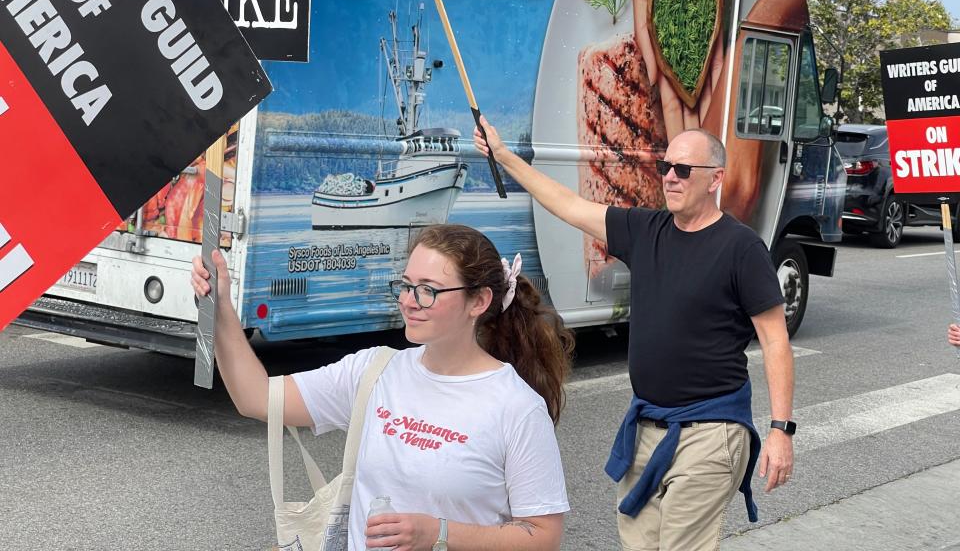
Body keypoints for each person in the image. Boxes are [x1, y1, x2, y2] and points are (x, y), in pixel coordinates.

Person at [475, 120, 794, 551]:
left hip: (711, 429)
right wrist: (505, 155)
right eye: (666, 166)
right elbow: (568, 205)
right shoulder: (646, 230)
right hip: (646, 426)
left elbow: (775, 340)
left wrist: (780, 430)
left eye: (684, 170)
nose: (670, 177)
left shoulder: (741, 248)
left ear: (715, 179)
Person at [191, 223, 573, 551]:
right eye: (406, 285)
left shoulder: (517, 407)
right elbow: (257, 398)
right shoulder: (373, 370)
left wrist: (438, 533)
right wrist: (222, 307)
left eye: (429, 290)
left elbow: (541, 536)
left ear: (479, 301)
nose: (409, 301)